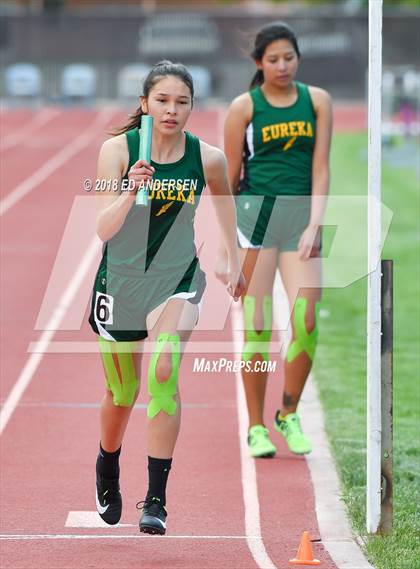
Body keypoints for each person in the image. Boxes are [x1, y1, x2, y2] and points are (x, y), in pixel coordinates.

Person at [88, 60, 245, 534]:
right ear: (144, 104)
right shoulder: (116, 151)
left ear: (193, 106)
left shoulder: (207, 158)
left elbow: (224, 203)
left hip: (176, 280)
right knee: (122, 392)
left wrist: (230, 257)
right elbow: (103, 228)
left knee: (163, 372)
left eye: (182, 102)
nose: (172, 110)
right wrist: (128, 190)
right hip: (121, 283)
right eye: (162, 101)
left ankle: (155, 499)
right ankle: (107, 464)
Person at [217, 22, 332, 458]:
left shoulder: (317, 101)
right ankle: (256, 426)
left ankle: (289, 411)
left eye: (289, 57)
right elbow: (228, 180)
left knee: (306, 321)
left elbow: (320, 168)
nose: (282, 66)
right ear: (258, 63)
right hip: (255, 223)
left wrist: (315, 223)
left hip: (301, 221)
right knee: (259, 328)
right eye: (273, 59)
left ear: (298, 57)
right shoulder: (243, 107)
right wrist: (228, 251)